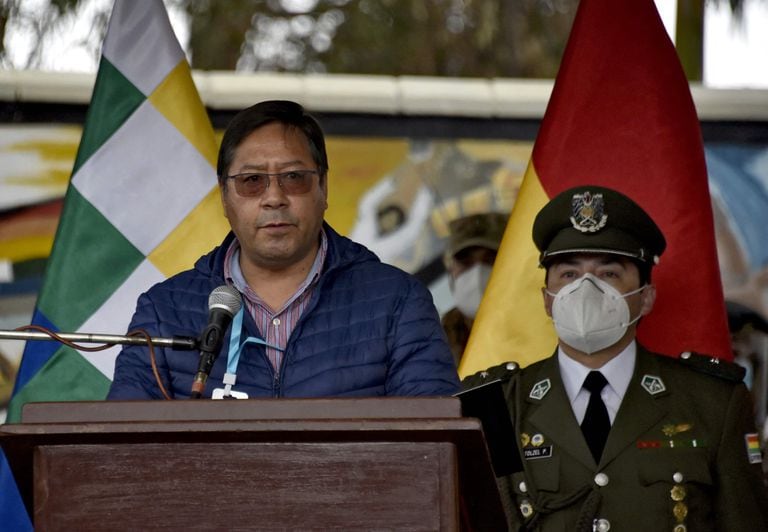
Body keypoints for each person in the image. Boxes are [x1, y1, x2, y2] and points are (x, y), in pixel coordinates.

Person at [463, 185, 768, 531]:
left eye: (609, 273)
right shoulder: (497, 405)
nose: (586, 288)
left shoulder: (713, 402)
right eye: (569, 274)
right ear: (547, 298)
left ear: (646, 297)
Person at [108, 100, 459, 400]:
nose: (274, 197)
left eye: (294, 177)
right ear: (224, 197)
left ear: (322, 187)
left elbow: (434, 445)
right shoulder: (164, 311)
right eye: (251, 181)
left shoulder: (397, 303)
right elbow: (122, 452)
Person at [441, 212, 507, 366]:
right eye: (466, 262)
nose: (478, 272)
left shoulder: (538, 318)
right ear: (451, 271)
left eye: (490, 259)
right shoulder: (439, 340)